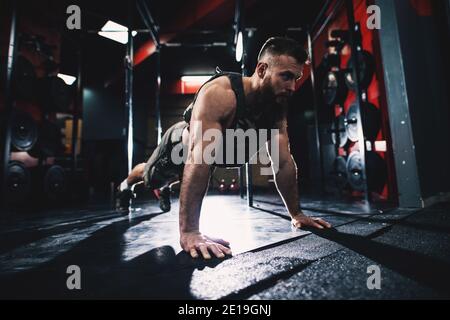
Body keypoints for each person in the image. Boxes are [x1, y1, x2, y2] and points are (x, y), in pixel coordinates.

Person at [116, 36, 332, 260]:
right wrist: (190, 232)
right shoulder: (222, 94)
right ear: (261, 69)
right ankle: (125, 186)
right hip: (179, 149)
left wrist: (296, 213)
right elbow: (199, 159)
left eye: (295, 78)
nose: (292, 86)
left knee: (182, 178)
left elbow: (283, 161)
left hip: (205, 160)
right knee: (152, 178)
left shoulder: (276, 106)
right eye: (286, 76)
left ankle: (167, 187)